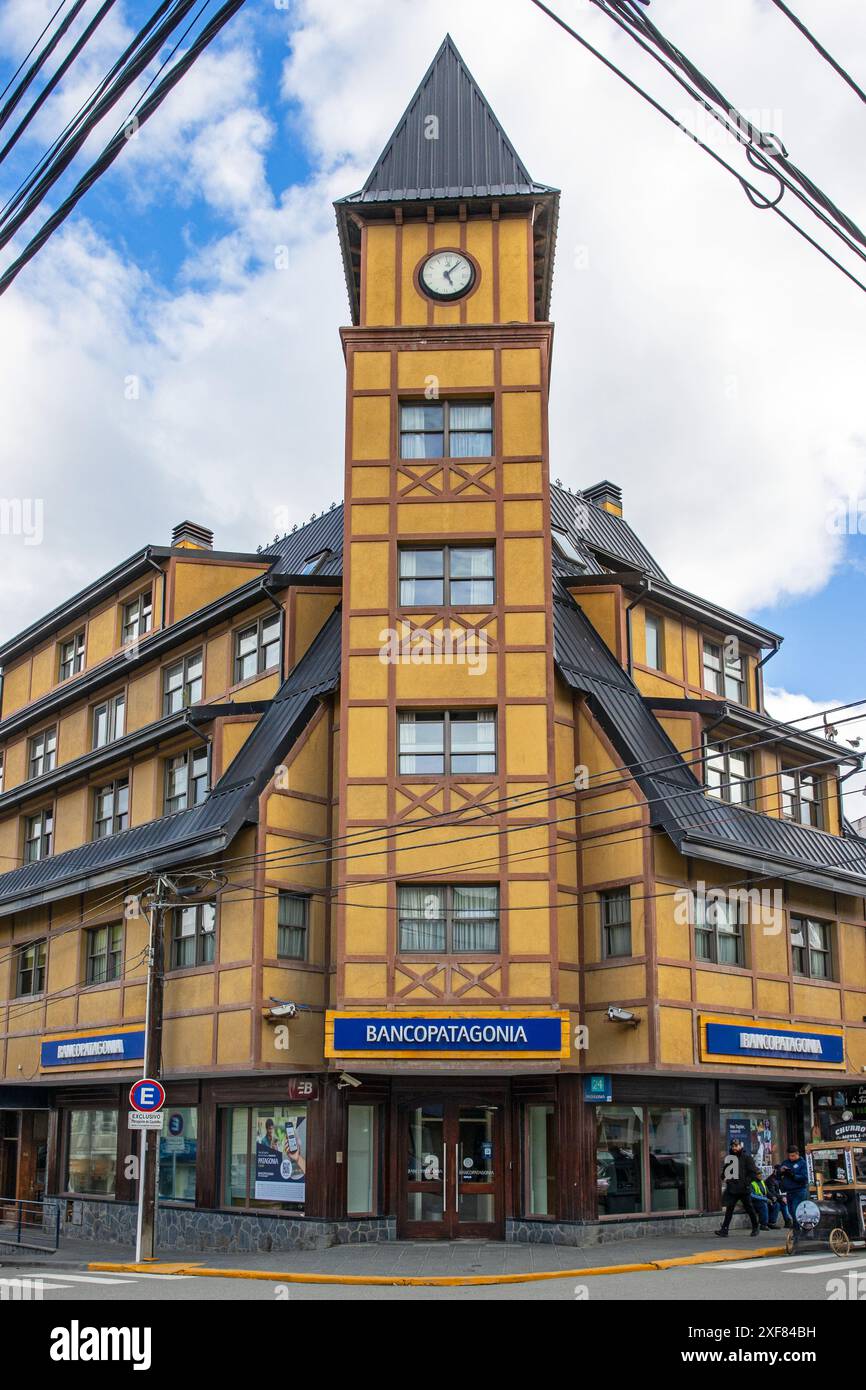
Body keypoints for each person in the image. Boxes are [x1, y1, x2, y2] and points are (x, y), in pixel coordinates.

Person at [716, 1139, 759, 1237]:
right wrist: (724, 1177)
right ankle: (724, 1230)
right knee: (729, 1210)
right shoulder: (730, 1158)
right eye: (733, 1146)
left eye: (736, 1146)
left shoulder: (747, 1158)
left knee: (749, 1208)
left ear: (740, 1146)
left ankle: (755, 1227)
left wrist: (746, 1183)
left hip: (744, 1189)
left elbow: (753, 1173)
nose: (734, 1148)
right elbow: (724, 1173)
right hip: (733, 1189)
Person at [779, 1145, 809, 1231]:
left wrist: (793, 1175)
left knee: (796, 1211)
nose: (791, 1158)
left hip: (799, 1190)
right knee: (791, 1211)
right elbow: (778, 1175)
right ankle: (799, 1228)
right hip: (789, 1191)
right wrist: (781, 1171)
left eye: (792, 1156)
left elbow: (804, 1177)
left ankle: (798, 1230)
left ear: (797, 1154)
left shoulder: (802, 1163)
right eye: (789, 1156)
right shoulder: (785, 1162)